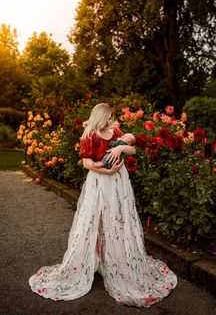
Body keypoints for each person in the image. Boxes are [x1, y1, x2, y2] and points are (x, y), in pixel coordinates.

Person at [28, 103, 177, 307]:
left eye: (112, 118)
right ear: (99, 118)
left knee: (117, 218)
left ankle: (114, 260)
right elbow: (86, 162)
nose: (111, 121)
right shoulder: (90, 135)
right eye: (108, 118)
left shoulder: (114, 131)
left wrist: (123, 147)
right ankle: (96, 258)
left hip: (118, 183)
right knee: (95, 220)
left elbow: (132, 149)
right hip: (99, 181)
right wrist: (103, 170)